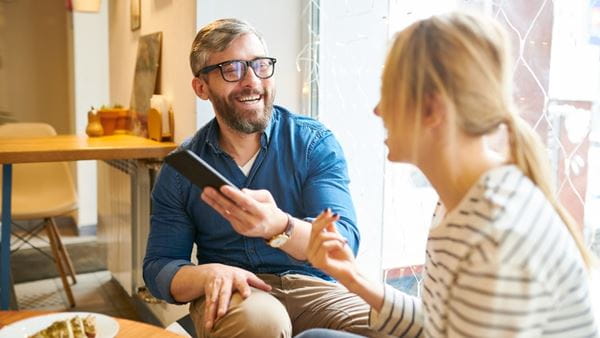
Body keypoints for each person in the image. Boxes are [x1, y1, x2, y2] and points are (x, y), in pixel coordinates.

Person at [300, 12, 599, 338]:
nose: (378, 110)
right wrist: (353, 277)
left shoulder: (495, 237)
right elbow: (438, 323)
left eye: (388, 93)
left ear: (432, 110)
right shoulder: (459, 202)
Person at [143, 18, 385, 338]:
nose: (252, 81)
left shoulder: (312, 143)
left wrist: (280, 226)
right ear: (202, 87)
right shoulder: (182, 170)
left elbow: (344, 241)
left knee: (400, 325)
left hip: (315, 290)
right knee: (262, 323)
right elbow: (159, 266)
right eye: (232, 69)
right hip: (237, 292)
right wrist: (208, 274)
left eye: (260, 65)